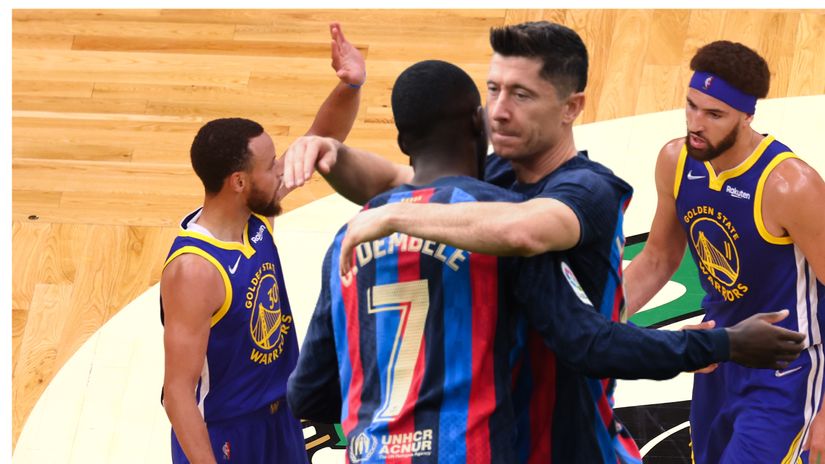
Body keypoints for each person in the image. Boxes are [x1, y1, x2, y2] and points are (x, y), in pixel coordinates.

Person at [284, 59, 805, 463]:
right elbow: (588, 343)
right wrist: (721, 344)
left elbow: (310, 396)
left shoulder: (348, 240)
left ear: (401, 140)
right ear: (481, 124)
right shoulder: (505, 226)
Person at [281, 21, 641, 461]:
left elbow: (522, 230)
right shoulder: (485, 184)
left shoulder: (585, 191)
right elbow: (404, 180)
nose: (500, 111)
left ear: (571, 107)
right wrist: (331, 152)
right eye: (494, 91)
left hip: (570, 437)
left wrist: (392, 215)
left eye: (521, 95)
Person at [159, 23, 365, 464]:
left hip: (282, 417)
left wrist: (350, 86)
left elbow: (317, 140)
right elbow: (176, 394)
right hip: (229, 435)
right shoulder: (195, 270)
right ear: (238, 182)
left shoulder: (254, 217)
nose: (281, 170)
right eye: (270, 166)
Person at [621, 40, 825, 463]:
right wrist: (593, 324)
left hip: (785, 372)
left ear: (747, 116)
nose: (696, 124)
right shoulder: (676, 160)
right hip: (719, 359)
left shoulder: (790, 187)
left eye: (714, 115)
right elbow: (657, 258)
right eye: (691, 106)